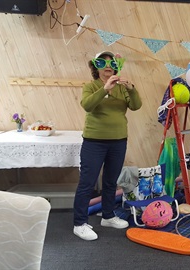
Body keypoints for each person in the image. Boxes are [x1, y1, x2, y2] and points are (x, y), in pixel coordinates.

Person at [73, 51, 142, 240]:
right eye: (103, 64)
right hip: (94, 143)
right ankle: (79, 223)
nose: (108, 66)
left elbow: (136, 106)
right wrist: (105, 88)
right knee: (87, 183)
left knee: (111, 182)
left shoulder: (122, 89)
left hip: (118, 141)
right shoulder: (91, 86)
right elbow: (87, 105)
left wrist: (131, 88)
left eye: (112, 63)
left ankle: (108, 216)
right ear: (96, 68)